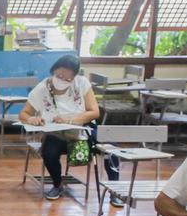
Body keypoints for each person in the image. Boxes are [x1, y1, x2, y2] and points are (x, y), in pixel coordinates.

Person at [18, 54, 122, 204]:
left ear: (73, 77)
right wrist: (31, 119)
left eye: (67, 79)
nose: (62, 80)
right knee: (49, 152)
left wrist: (70, 120)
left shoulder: (81, 83)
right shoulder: (42, 88)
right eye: (59, 75)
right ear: (53, 70)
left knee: (111, 147)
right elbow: (24, 113)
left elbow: (94, 112)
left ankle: (115, 191)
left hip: (83, 129)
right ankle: (57, 184)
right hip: (57, 133)